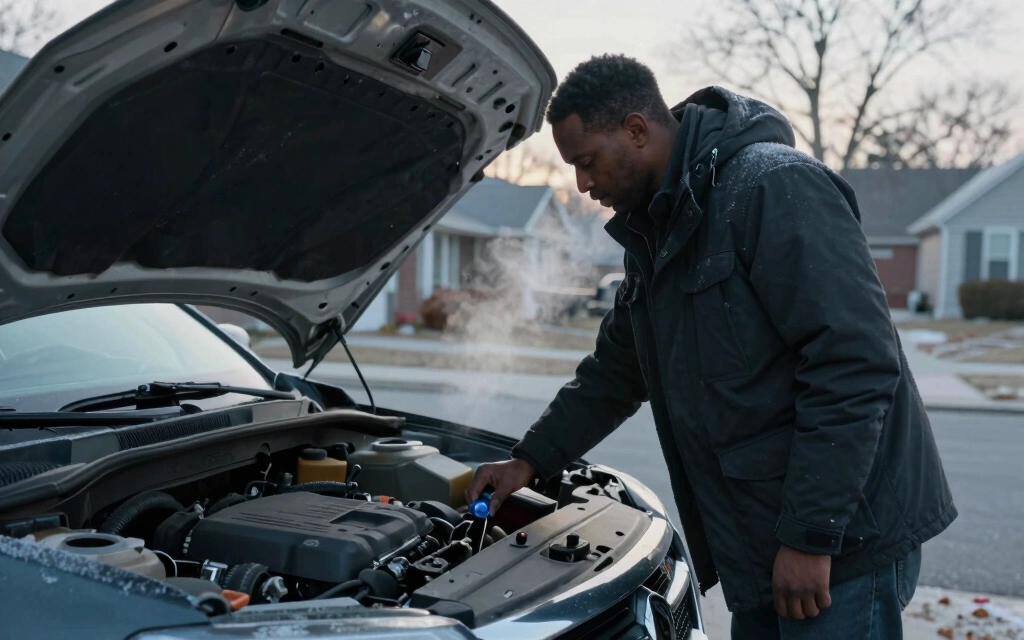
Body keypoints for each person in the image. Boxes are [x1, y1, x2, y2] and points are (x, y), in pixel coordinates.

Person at [467, 54, 957, 639]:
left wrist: (810, 536)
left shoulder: (773, 187)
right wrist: (530, 459)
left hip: (840, 546)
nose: (582, 183)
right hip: (760, 547)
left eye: (587, 162)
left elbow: (854, 365)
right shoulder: (656, 232)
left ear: (636, 130)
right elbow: (616, 372)